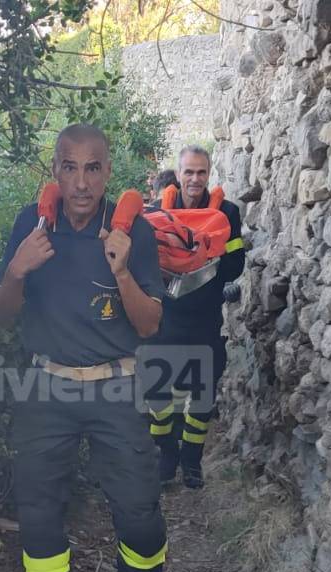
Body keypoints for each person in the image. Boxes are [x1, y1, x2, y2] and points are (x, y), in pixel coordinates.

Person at [0, 124, 184, 572]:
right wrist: (16, 270)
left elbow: (148, 326)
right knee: (38, 508)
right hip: (44, 385)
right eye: (69, 167)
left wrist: (121, 271)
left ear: (106, 173)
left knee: (139, 507)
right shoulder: (30, 226)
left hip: (114, 386)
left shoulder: (133, 232)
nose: (80, 182)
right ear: (54, 171)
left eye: (92, 168)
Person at [148, 145, 245, 489]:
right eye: (188, 172)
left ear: (209, 174)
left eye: (201, 172)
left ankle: (191, 461)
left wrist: (204, 258)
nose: (194, 179)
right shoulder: (157, 211)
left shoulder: (228, 212)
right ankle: (165, 456)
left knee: (202, 395)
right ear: (177, 174)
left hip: (205, 314)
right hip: (165, 314)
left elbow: (236, 265)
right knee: (160, 395)